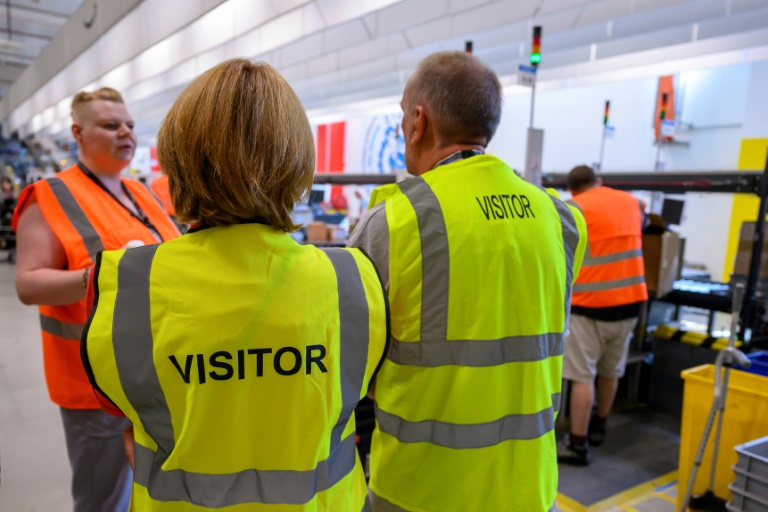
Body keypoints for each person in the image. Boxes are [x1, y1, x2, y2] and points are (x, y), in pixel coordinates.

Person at [81, 58, 390, 510]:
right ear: (297, 160)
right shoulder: (353, 280)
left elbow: (124, 419)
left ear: (177, 159)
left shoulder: (126, 286)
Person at [348, 51, 587, 512]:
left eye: (402, 116)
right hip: (530, 492)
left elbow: (356, 375)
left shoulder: (393, 223)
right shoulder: (559, 219)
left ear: (419, 121)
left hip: (420, 494)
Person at [12, 87, 181, 511]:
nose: (125, 132)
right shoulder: (48, 196)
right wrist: (101, 275)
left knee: (152, 490)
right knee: (103, 498)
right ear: (78, 134)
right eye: (111, 125)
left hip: (156, 375)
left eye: (129, 125)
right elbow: (28, 284)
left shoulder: (143, 194)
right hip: (92, 382)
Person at [557, 165, 648, 466]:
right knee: (612, 369)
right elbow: (644, 226)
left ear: (572, 189)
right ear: (599, 182)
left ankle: (578, 445)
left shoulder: (574, 207)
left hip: (590, 305)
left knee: (583, 375)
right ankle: (600, 425)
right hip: (631, 301)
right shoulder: (631, 202)